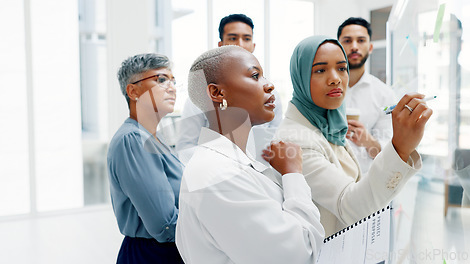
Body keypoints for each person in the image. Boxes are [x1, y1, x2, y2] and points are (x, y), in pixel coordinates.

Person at [175, 45, 324, 264]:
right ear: (217, 93)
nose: (269, 84)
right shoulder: (217, 174)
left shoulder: (233, 165)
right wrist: (293, 174)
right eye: (255, 76)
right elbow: (301, 254)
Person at [274, 35, 433, 236]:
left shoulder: (330, 124)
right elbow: (350, 206)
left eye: (342, 68)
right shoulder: (295, 140)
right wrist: (400, 148)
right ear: (301, 77)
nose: (335, 79)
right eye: (320, 70)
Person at [176, 13, 283, 164]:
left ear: (253, 45)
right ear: (221, 45)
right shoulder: (201, 97)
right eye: (233, 38)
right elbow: (185, 148)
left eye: (246, 38)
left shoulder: (271, 95)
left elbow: (275, 140)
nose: (240, 44)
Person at [107, 53, 184, 263]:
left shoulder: (152, 138)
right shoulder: (133, 140)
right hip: (154, 254)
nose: (172, 87)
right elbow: (164, 225)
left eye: (173, 81)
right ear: (133, 91)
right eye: (161, 80)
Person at [337, 17, 396, 174]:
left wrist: (367, 141)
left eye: (361, 40)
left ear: (370, 47)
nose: (354, 46)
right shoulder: (321, 88)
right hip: (326, 179)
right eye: (347, 41)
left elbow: (388, 155)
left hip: (365, 183)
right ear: (338, 47)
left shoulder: (385, 95)